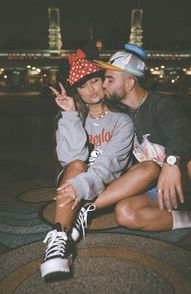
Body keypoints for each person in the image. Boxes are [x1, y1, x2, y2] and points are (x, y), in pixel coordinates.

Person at [91, 43, 191, 265]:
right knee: (125, 213)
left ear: (130, 82)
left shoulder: (159, 105)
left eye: (110, 79)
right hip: (159, 189)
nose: (104, 83)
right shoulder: (123, 114)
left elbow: (184, 132)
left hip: (185, 183)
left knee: (190, 157)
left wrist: (171, 161)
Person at [40, 49, 134, 280]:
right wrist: (70, 114)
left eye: (95, 81)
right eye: (84, 86)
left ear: (104, 81)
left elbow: (112, 163)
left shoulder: (122, 120)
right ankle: (58, 242)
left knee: (94, 172)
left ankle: (77, 211)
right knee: (77, 164)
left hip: (107, 183)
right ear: (76, 91)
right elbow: (71, 159)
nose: (92, 89)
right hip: (76, 180)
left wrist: (81, 187)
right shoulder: (73, 117)